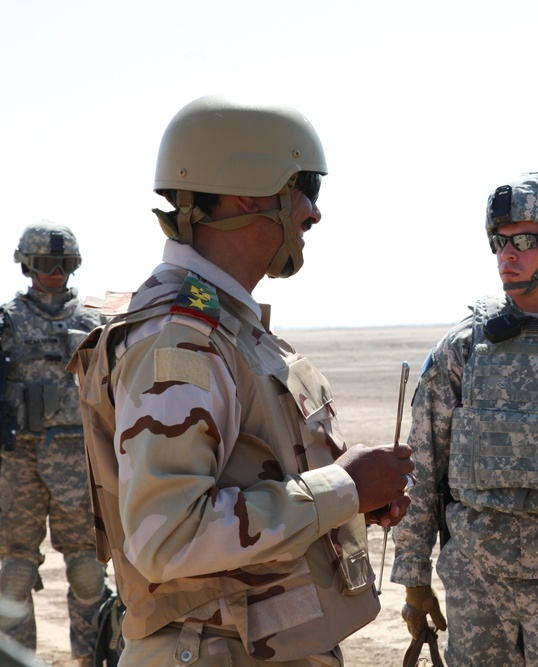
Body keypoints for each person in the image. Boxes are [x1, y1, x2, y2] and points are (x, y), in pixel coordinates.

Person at [67, 95, 414, 667]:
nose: (314, 212)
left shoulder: (226, 326)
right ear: (250, 192)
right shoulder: (179, 340)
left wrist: (352, 496)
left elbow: (254, 476)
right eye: (306, 187)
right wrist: (343, 489)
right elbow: (168, 536)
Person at [390, 173, 538, 666]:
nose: (506, 255)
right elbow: (424, 467)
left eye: (522, 241)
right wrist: (413, 577)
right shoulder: (465, 345)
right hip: (476, 582)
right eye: (499, 242)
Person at [0, 222, 110, 666]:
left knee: (87, 572)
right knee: (16, 573)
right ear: (28, 265)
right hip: (18, 462)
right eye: (47, 264)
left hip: (78, 460)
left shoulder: (93, 320)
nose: (56, 273)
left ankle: (90, 657)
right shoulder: (7, 322)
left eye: (65, 264)